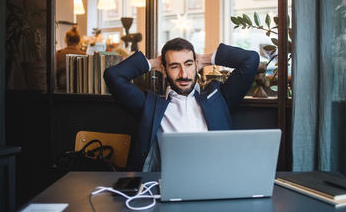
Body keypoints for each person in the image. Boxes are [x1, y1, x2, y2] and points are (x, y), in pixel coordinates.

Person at [104, 38, 259, 171]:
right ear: (164, 70)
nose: (183, 74)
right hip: (168, 183)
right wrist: (152, 63)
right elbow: (114, 76)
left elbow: (250, 60)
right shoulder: (150, 106)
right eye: (174, 66)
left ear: (196, 65)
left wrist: (207, 59)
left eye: (188, 64)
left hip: (216, 181)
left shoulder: (218, 99)